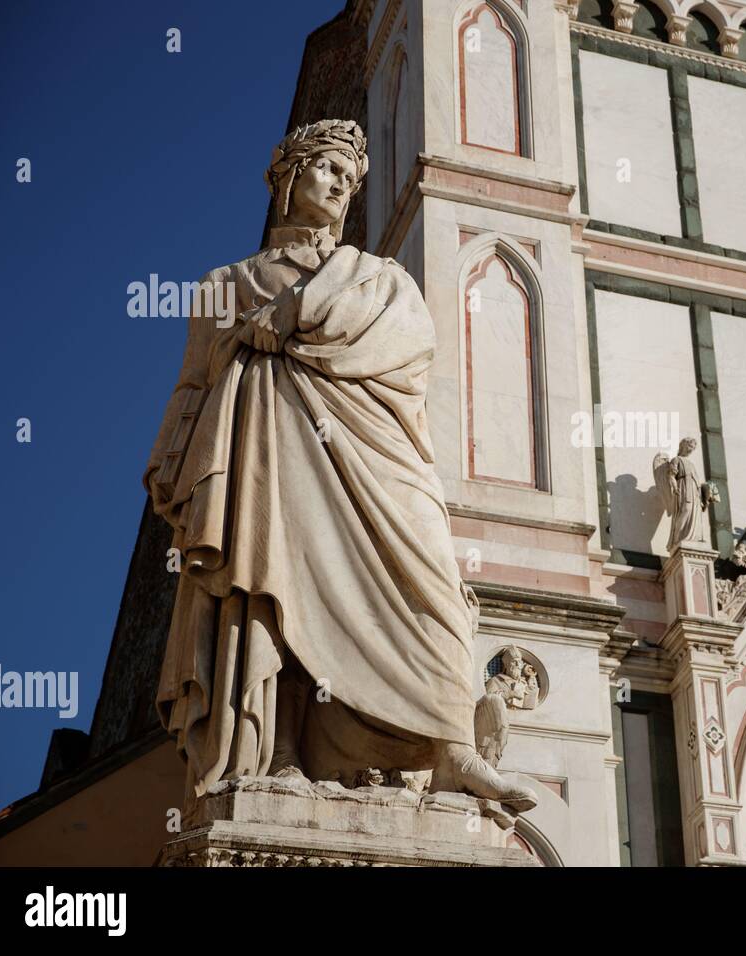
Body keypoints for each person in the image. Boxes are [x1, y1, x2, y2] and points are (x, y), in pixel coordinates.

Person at [148, 119, 534, 811]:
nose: (338, 187)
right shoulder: (225, 282)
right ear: (287, 176)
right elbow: (196, 382)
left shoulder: (376, 277)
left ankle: (450, 748)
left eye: (349, 180)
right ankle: (280, 753)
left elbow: (412, 347)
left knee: (436, 589)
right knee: (271, 586)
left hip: (374, 455)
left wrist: (294, 314)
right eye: (325, 169)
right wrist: (180, 469)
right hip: (268, 455)